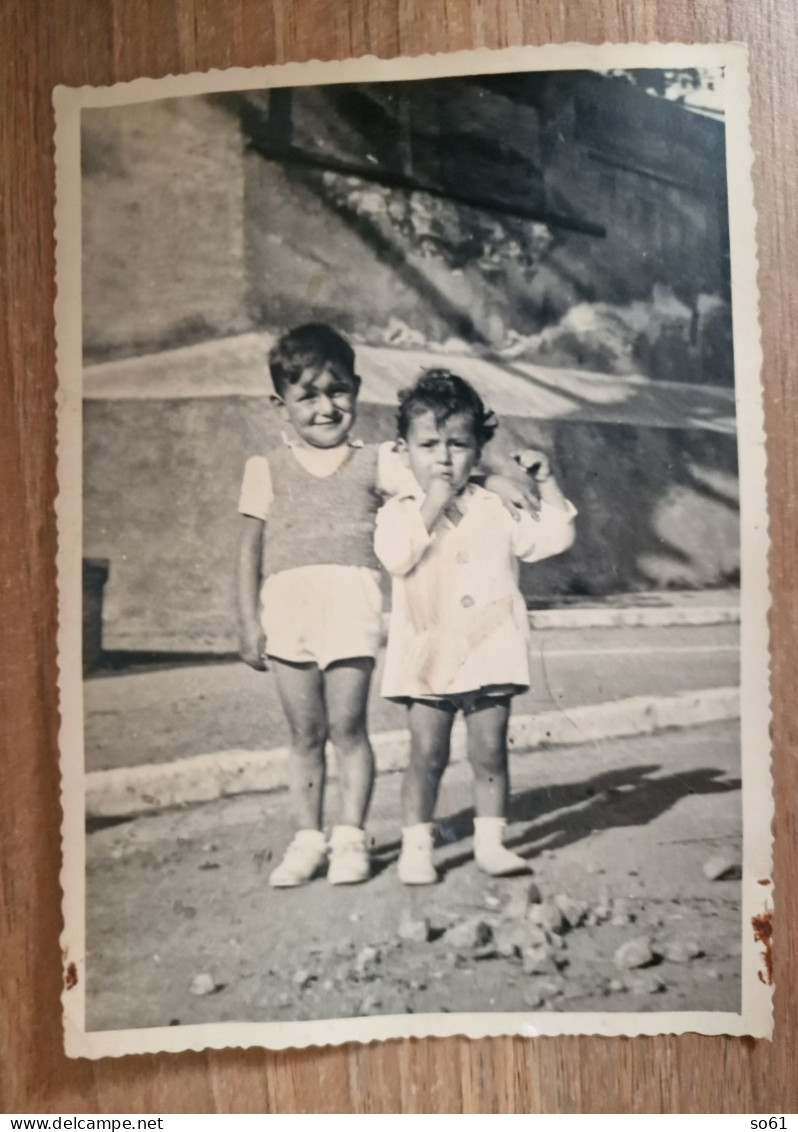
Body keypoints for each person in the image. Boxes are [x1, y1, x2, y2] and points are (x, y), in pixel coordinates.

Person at [237, 327, 538, 889]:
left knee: (348, 730)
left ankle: (350, 838)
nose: (327, 408)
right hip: (286, 612)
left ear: (355, 390)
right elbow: (248, 549)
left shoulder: (378, 460)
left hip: (350, 610)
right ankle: (308, 840)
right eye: (309, 396)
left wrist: (496, 477)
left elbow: (445, 472)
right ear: (281, 405)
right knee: (304, 733)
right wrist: (248, 620)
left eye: (338, 392)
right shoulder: (265, 468)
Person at [374, 369, 577, 885]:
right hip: (427, 657)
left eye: (458, 444)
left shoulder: (497, 505)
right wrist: (433, 503)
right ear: (404, 452)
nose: (443, 457)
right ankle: (417, 847)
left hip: (490, 653)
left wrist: (547, 483)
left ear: (479, 448)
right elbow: (395, 557)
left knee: (489, 750)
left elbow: (552, 538)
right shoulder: (399, 512)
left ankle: (491, 843)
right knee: (427, 753)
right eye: (428, 445)